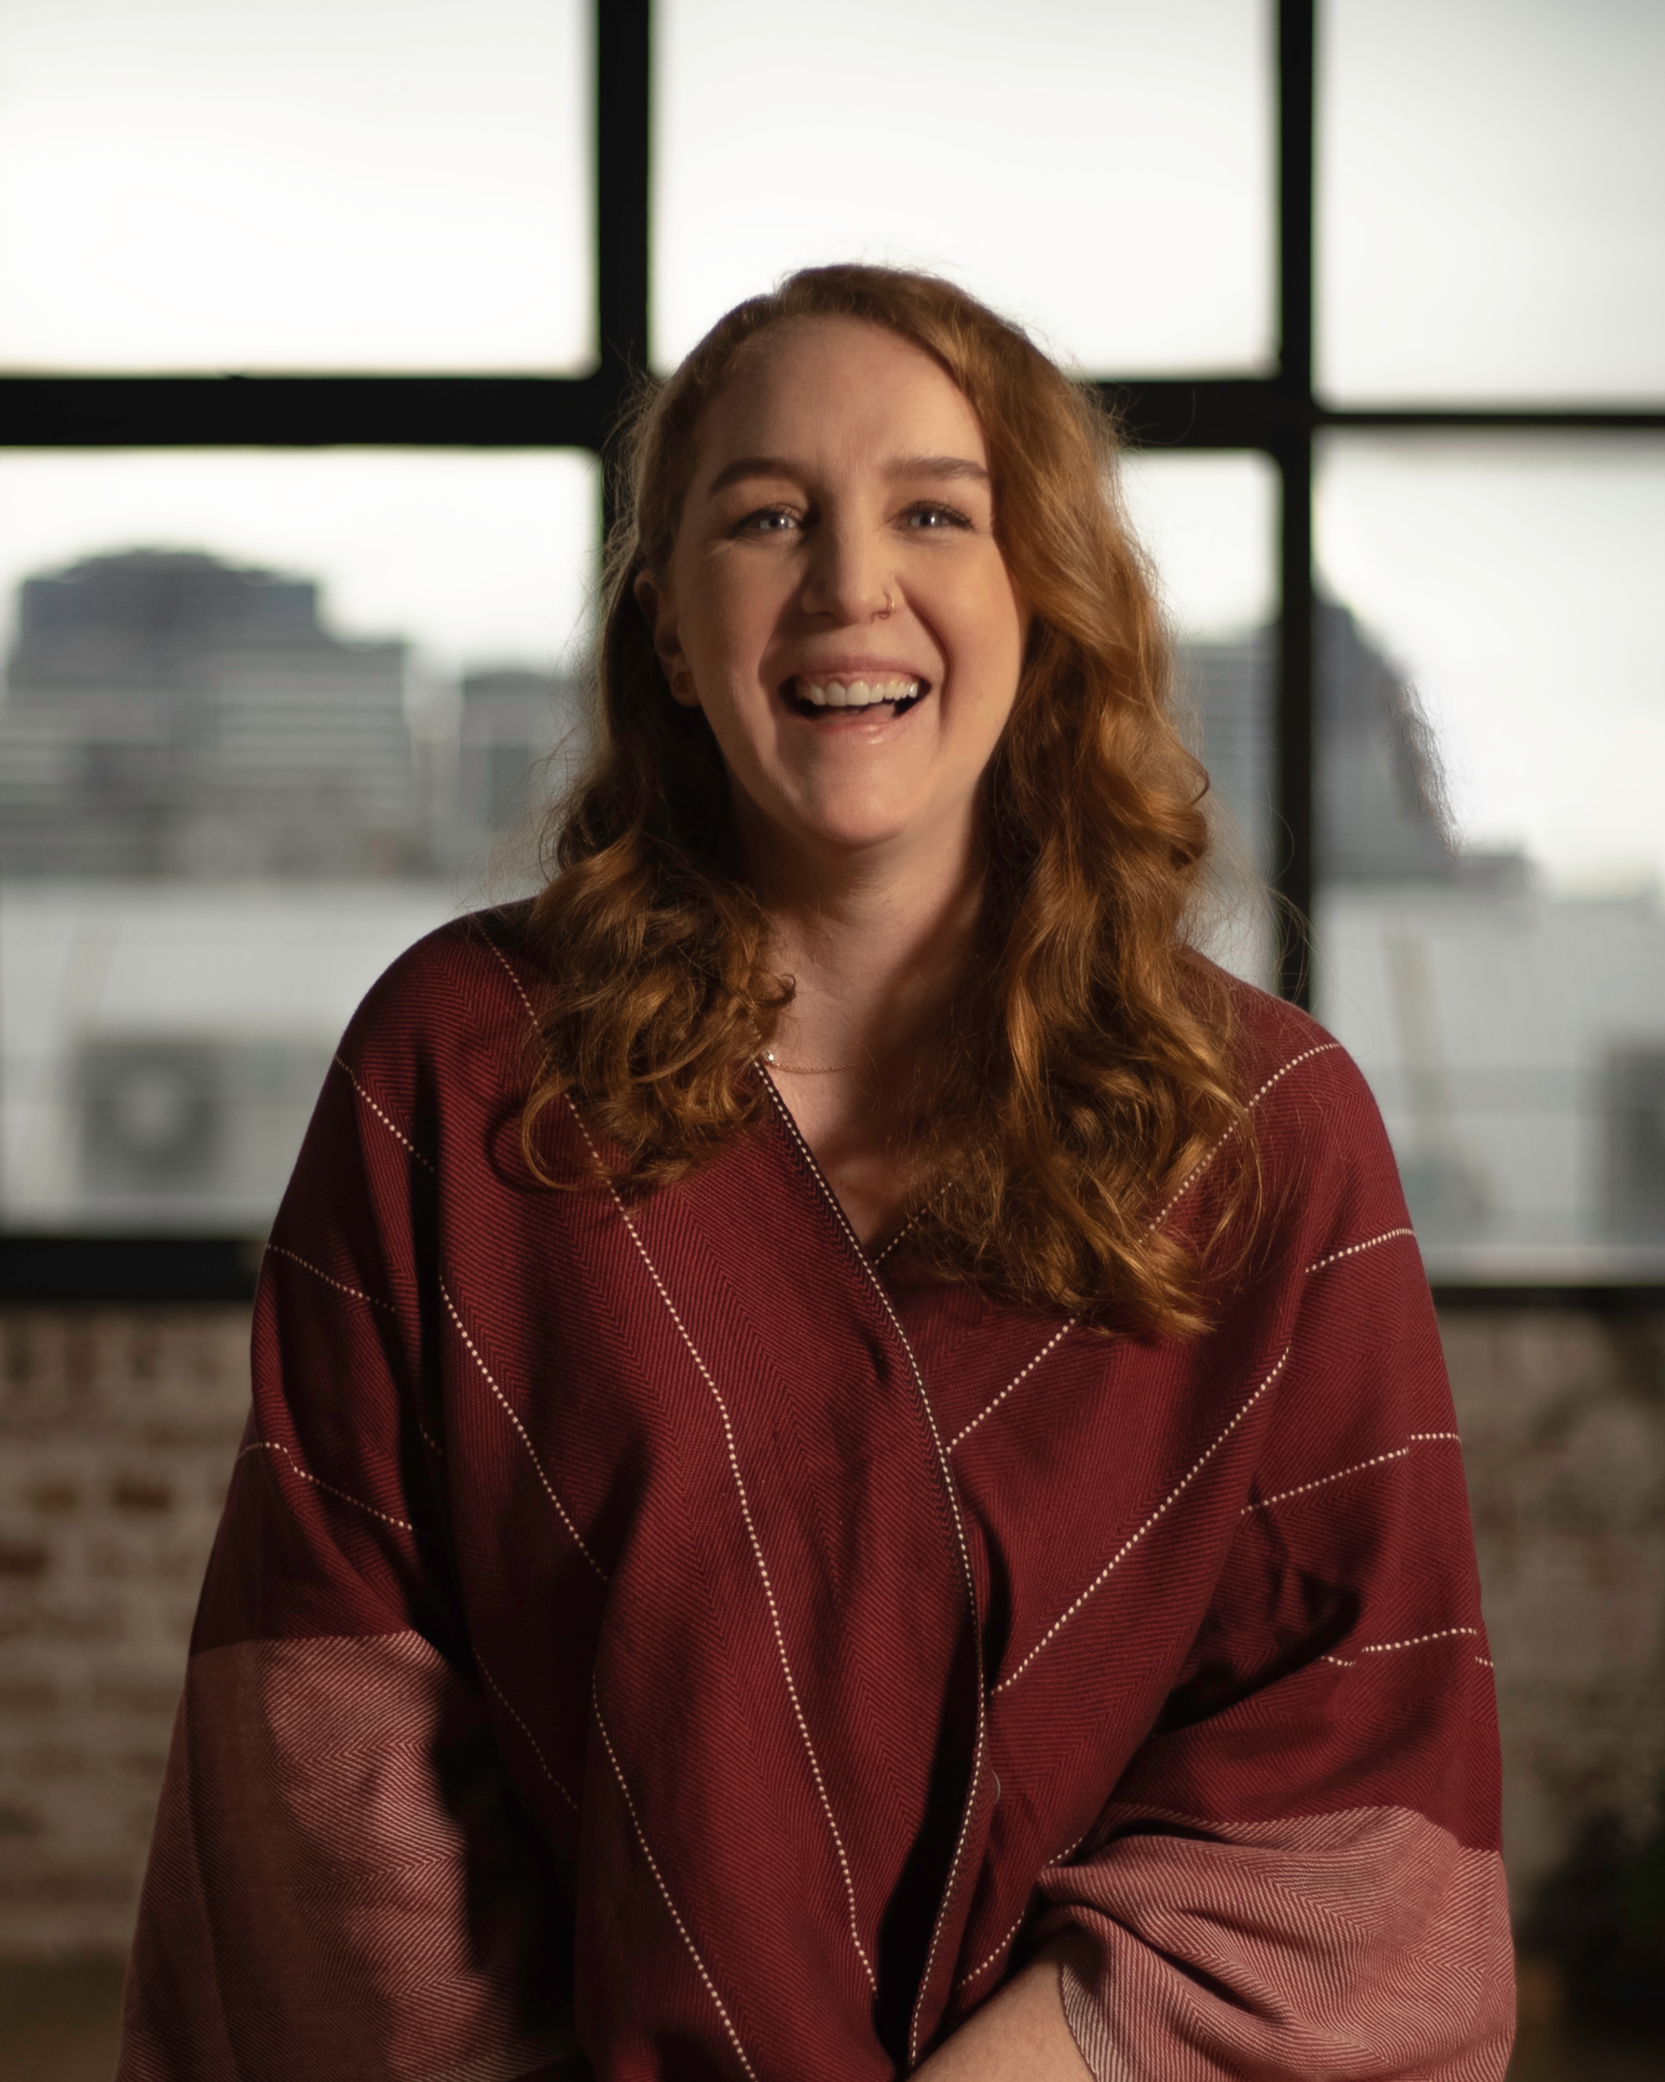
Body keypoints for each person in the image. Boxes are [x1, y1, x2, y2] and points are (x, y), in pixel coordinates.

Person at [118, 266, 1515, 2082]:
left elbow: (1359, 1763)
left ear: (1046, 603)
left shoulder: (1266, 1127)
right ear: (671, 630)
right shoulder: (459, 1069)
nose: (852, 583)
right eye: (767, 514)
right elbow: (333, 1751)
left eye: (936, 510)